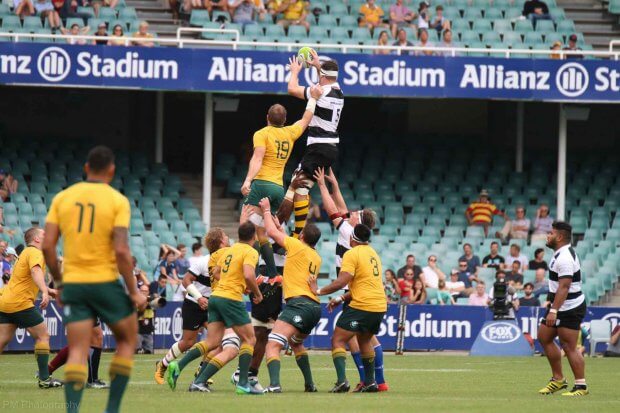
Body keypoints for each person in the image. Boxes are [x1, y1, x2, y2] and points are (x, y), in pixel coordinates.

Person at [42, 146, 147, 412]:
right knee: (127, 339)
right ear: (111, 171)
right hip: (104, 283)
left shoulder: (63, 198)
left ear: (86, 168)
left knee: (78, 348)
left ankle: (73, 410)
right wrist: (134, 291)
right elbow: (122, 250)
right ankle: (111, 409)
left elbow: (47, 247)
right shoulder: (117, 201)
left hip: (74, 285)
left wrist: (60, 282)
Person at [167, 222, 264, 395]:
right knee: (250, 339)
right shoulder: (250, 251)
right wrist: (255, 292)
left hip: (216, 297)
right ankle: (242, 383)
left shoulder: (230, 250)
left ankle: (181, 368)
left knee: (212, 342)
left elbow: (217, 273)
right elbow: (249, 275)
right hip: (230, 299)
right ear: (254, 236)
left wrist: (236, 282)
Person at [313, 167, 385, 391]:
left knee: (346, 338)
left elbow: (334, 210)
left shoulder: (347, 232)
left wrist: (323, 187)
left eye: (356, 214)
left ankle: (363, 380)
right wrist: (335, 184)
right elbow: (342, 208)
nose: (352, 213)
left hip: (355, 293)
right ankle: (377, 382)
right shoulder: (363, 241)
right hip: (358, 292)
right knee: (366, 338)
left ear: (358, 224)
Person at [240, 101, 315, 283]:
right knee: (262, 232)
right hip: (278, 189)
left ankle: (256, 272)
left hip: (261, 185)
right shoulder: (289, 132)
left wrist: (248, 180)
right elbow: (306, 119)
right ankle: (273, 275)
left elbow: (257, 158)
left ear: (267, 117)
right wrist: (313, 98)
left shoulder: (262, 134)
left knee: (247, 229)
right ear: (285, 119)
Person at [258, 197, 321, 393]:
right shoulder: (315, 257)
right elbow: (286, 240)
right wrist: (279, 226)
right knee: (296, 343)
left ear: (301, 236)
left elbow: (270, 233)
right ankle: (309, 384)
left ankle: (274, 385)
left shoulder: (296, 246)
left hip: (298, 305)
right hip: (314, 308)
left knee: (273, 345)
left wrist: (267, 211)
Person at [283, 50, 344, 240]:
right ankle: (292, 231)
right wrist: (318, 66)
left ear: (324, 77)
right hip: (330, 147)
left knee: (300, 188)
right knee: (298, 183)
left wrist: (295, 71)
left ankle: (295, 235)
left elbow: (292, 89)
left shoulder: (320, 91)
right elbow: (325, 79)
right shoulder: (338, 89)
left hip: (318, 146)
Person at [0, 228, 63, 388]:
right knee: (43, 336)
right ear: (36, 239)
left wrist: (49, 290)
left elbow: (26, 278)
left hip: (6, 301)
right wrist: (44, 291)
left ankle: (44, 378)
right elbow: (35, 272)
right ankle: (44, 379)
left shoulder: (26, 253)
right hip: (20, 303)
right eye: (43, 234)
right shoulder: (35, 252)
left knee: (1, 341)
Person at [538, 221, 588, 396]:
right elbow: (557, 285)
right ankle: (558, 380)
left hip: (570, 306)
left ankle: (581, 386)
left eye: (551, 233)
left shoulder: (565, 257)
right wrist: (551, 302)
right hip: (559, 305)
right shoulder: (559, 253)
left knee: (569, 346)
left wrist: (554, 310)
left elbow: (565, 287)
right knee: (544, 336)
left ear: (559, 237)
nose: (548, 236)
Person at [154, 236, 212, 383]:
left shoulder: (226, 261)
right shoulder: (203, 261)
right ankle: (163, 364)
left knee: (216, 339)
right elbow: (186, 281)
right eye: (225, 240)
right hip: (194, 303)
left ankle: (201, 372)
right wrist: (199, 297)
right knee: (188, 342)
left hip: (210, 305)